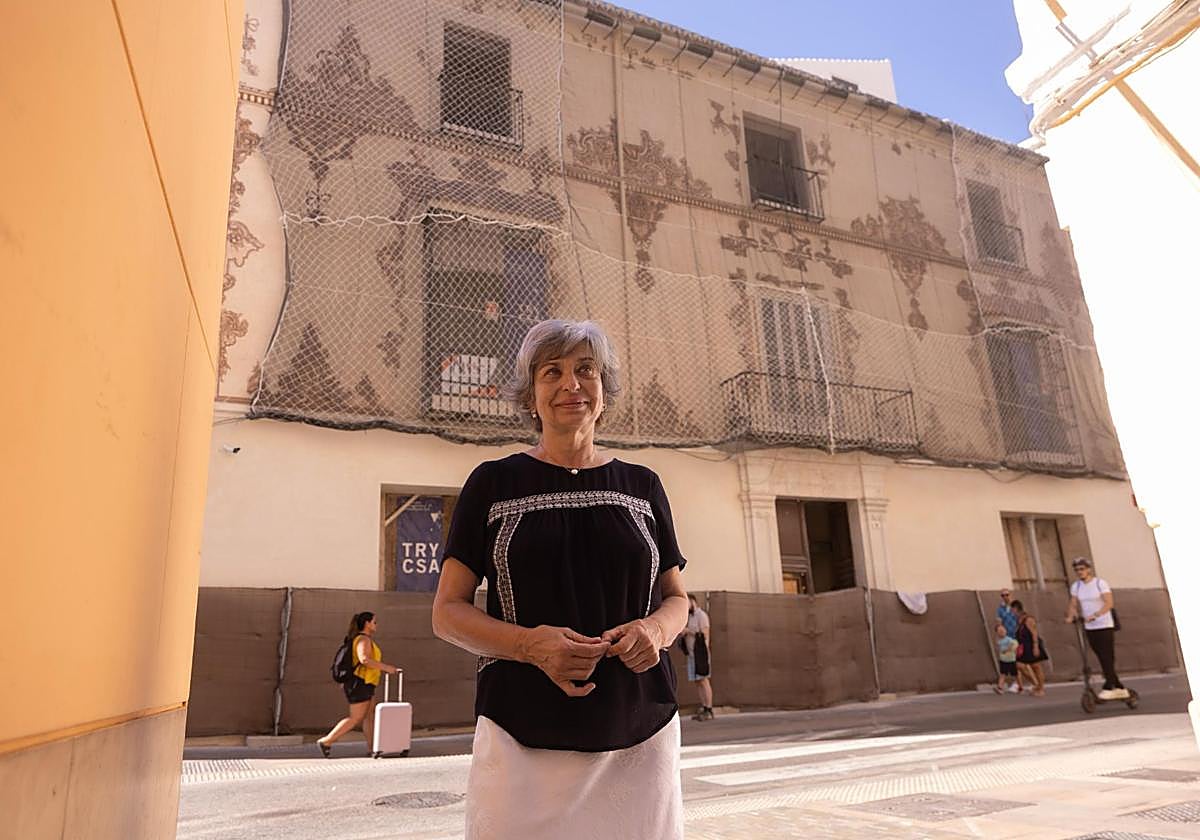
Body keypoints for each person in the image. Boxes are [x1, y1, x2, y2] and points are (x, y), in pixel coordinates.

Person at [432, 319, 690, 840]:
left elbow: (677, 599)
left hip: (639, 734)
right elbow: (447, 613)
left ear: (604, 391)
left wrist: (656, 633)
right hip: (520, 737)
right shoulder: (492, 483)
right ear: (531, 395)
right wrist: (530, 645)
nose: (571, 384)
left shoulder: (642, 486)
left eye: (585, 370)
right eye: (552, 372)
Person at [316, 611, 400, 757]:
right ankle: (327, 741)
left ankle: (373, 747)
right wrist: (387, 668)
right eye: (374, 622)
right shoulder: (363, 640)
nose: (376, 625)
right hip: (360, 682)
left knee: (370, 715)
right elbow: (364, 659)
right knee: (356, 717)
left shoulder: (362, 639)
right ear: (367, 624)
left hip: (365, 683)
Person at [1065, 556, 1126, 699]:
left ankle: (1109, 685)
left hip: (1104, 624)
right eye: (1077, 570)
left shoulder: (1100, 583)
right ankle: (1118, 686)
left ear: (1089, 570)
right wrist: (1070, 616)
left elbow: (1109, 603)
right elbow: (1073, 604)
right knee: (1100, 656)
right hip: (1089, 627)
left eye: (1082, 569)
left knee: (1107, 655)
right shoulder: (1076, 586)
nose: (1080, 572)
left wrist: (1096, 615)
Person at [683, 594, 715, 720]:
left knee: (704, 680)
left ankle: (709, 708)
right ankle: (704, 707)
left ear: (692, 601)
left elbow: (705, 634)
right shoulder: (689, 617)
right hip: (691, 655)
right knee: (698, 681)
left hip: (701, 654)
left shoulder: (701, 616)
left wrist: (688, 631)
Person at [1011, 599, 1047, 697]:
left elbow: (1034, 633)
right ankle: (1036, 684)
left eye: (1012, 610)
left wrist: (1035, 647)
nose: (1012, 613)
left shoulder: (1028, 619)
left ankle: (1041, 688)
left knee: (1036, 667)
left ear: (1016, 609)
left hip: (1032, 645)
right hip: (1024, 647)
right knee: (1019, 665)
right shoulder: (1019, 621)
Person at [992, 621, 1021, 694]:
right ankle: (1000, 688)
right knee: (1003, 674)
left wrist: (1006, 650)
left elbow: (1013, 645)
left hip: (1011, 660)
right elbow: (999, 647)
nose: (1002, 632)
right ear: (997, 633)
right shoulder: (999, 640)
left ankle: (1020, 687)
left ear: (1006, 630)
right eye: (999, 631)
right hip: (1003, 660)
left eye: (1003, 630)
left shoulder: (1009, 639)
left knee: (1015, 674)